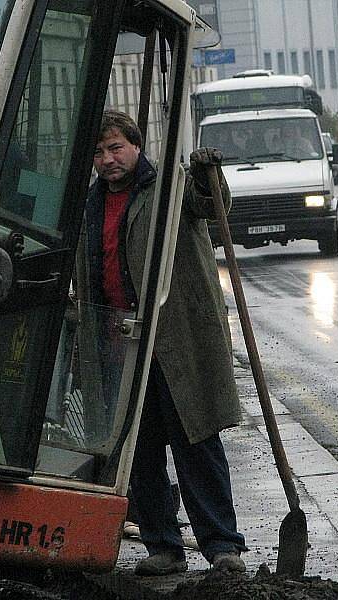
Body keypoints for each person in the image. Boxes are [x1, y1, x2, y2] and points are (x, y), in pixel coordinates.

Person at [81, 110, 247, 576]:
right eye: (99, 152)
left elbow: (211, 205)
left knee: (195, 441)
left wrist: (207, 173)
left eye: (116, 148)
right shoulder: (92, 202)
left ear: (136, 147)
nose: (108, 160)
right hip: (121, 346)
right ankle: (164, 546)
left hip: (174, 341)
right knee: (139, 451)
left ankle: (222, 545)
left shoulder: (170, 188)